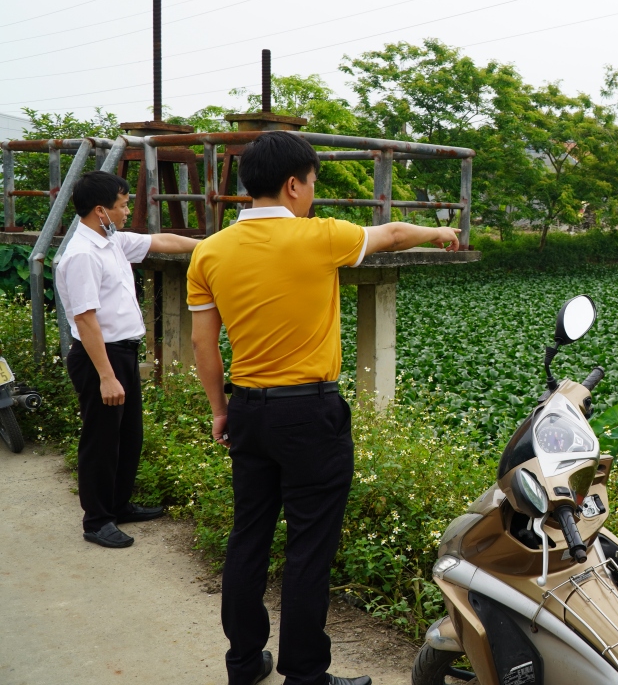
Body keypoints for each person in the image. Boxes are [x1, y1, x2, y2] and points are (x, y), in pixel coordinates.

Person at [188, 132, 460, 685]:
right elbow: (392, 233)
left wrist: (221, 409)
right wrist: (438, 229)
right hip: (309, 415)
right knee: (309, 546)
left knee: (249, 536)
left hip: (248, 411)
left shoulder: (209, 251)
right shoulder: (320, 237)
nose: (312, 194)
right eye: (312, 183)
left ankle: (243, 663)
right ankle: (305, 674)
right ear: (293, 184)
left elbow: (202, 345)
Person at [56, 170, 202, 548]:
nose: (125, 213)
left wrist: (210, 245)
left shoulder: (112, 242)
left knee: (127, 436)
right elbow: (86, 320)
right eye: (122, 206)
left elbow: (160, 241)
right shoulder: (82, 255)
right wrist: (106, 375)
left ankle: (119, 504)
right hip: (99, 358)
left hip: (122, 353)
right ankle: (97, 521)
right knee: (101, 441)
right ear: (101, 211)